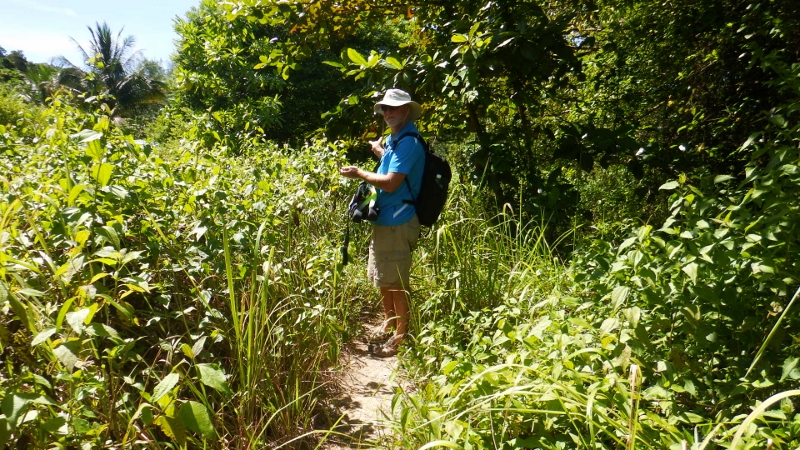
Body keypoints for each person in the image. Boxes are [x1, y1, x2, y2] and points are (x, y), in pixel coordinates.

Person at [339, 89, 425, 357]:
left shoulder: (409, 141)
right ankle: (389, 324)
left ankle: (400, 338)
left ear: (407, 110)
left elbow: (390, 183)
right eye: (385, 108)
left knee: (396, 282)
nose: (388, 112)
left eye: (394, 107)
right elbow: (393, 166)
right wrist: (379, 151)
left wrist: (360, 173)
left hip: (399, 220)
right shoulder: (395, 138)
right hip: (387, 219)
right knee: (384, 278)